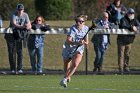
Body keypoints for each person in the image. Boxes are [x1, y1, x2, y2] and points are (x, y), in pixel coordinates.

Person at [60, 15, 89, 87]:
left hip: (79, 48)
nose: (80, 23)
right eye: (78, 21)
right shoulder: (73, 28)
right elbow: (68, 40)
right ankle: (67, 76)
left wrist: (83, 43)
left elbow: (87, 42)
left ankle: (65, 79)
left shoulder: (86, 28)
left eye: (82, 21)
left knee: (75, 64)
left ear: (84, 22)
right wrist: (77, 42)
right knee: (66, 63)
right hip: (69, 47)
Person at [4, 4, 31, 74]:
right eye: (19, 10)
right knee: (11, 52)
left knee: (19, 52)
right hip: (11, 34)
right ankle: (12, 68)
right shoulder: (13, 14)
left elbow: (29, 24)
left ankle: (19, 69)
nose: (20, 11)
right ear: (17, 10)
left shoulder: (25, 15)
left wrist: (28, 26)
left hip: (19, 35)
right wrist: (23, 27)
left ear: (23, 10)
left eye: (21, 10)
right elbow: (14, 24)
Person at [117, 8, 140, 74]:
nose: (132, 14)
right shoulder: (123, 19)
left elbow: (139, 26)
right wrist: (131, 27)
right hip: (121, 40)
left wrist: (136, 28)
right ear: (127, 14)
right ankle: (120, 69)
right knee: (121, 55)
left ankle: (126, 67)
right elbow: (123, 26)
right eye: (130, 13)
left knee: (127, 55)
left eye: (133, 13)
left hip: (129, 41)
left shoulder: (135, 20)